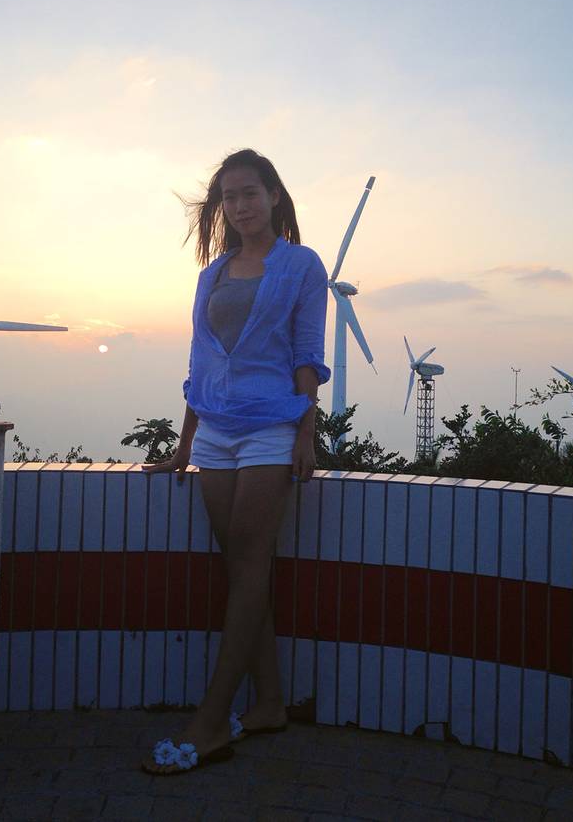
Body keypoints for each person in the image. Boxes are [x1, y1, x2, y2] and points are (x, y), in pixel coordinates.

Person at [140, 148, 331, 775]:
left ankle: (213, 719)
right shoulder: (213, 273)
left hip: (271, 429)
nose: (239, 205)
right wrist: (184, 446)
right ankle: (269, 703)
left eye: (250, 192)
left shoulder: (302, 265)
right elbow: (200, 363)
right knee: (244, 569)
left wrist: (305, 433)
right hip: (215, 433)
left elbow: (306, 354)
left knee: (248, 565)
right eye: (229, 197)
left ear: (274, 195)